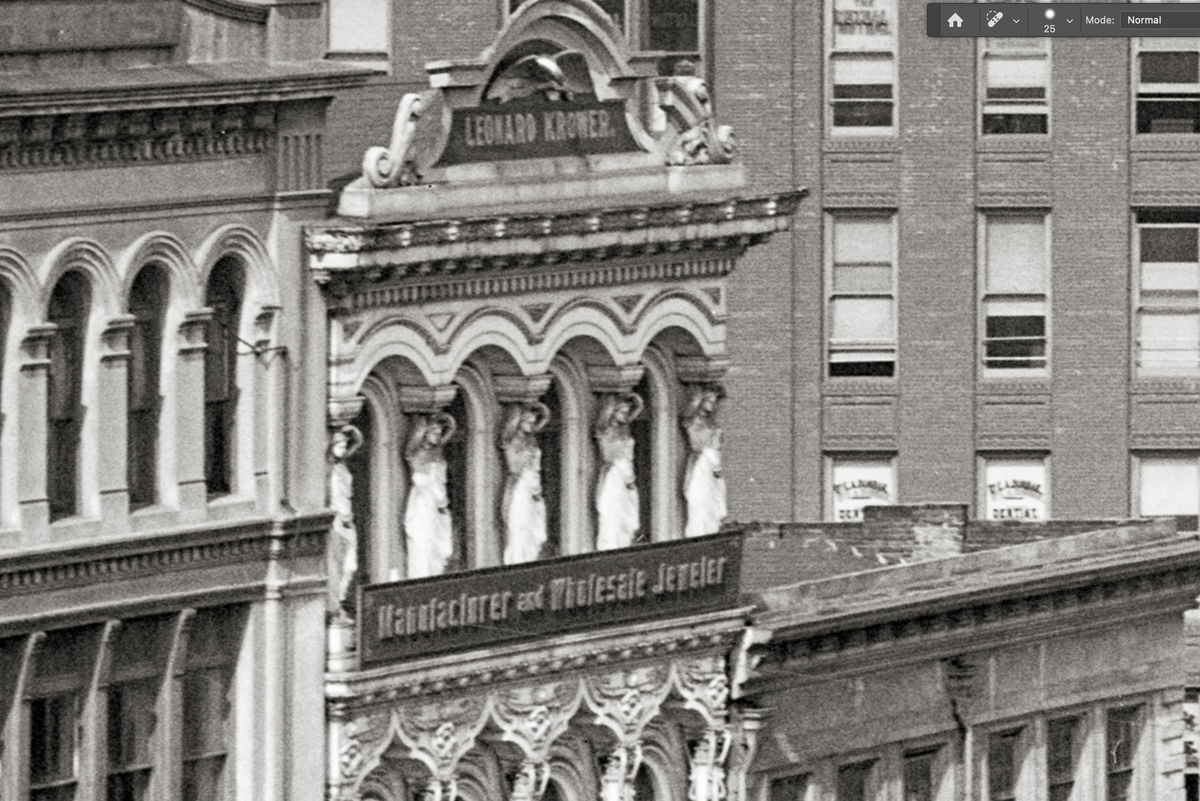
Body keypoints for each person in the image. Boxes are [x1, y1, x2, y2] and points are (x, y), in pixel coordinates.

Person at [404, 412, 457, 579]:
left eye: (439, 433)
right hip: (423, 503)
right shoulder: (416, 454)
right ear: (425, 433)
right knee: (423, 542)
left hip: (437, 504)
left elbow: (451, 427)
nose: (438, 436)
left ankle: (434, 573)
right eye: (434, 432)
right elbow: (420, 478)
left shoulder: (437, 453)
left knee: (438, 546)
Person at [501, 402, 551, 565]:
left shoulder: (532, 441)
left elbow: (544, 417)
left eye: (533, 422)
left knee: (534, 528)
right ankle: (518, 560)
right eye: (528, 422)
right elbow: (515, 467)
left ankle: (530, 558)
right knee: (520, 526)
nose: (532, 425)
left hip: (533, 488)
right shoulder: (511, 442)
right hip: (521, 488)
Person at [594, 392, 644, 550]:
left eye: (627, 411)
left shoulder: (625, 429)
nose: (626, 414)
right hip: (614, 476)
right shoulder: (604, 430)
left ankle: (625, 543)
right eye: (622, 411)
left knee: (627, 514)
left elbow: (638, 408)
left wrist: (634, 399)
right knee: (613, 515)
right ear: (612, 411)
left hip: (627, 476)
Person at [328, 424, 364, 617]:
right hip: (336, 521)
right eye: (339, 445)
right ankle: (335, 604)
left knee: (351, 565)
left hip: (347, 520)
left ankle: (340, 599)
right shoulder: (329, 469)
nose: (344, 449)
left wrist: (350, 429)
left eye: (345, 445)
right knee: (338, 565)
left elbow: (358, 441)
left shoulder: (342, 467)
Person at [683, 385, 727, 538]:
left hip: (712, 467)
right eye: (709, 400)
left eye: (714, 401)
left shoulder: (712, 423)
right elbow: (698, 444)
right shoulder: (693, 421)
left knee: (712, 505)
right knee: (700, 504)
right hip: (701, 466)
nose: (712, 404)